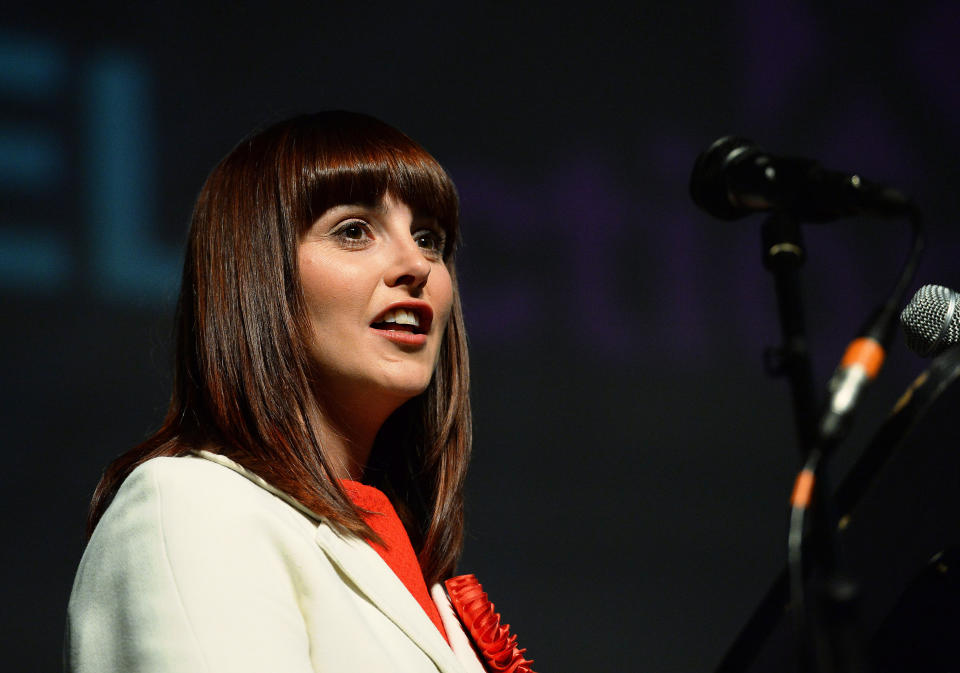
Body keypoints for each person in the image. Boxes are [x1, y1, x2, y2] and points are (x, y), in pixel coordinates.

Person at [65, 111, 505, 673]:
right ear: (256, 274)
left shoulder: (409, 561)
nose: (417, 264)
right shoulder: (191, 505)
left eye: (430, 239)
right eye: (353, 230)